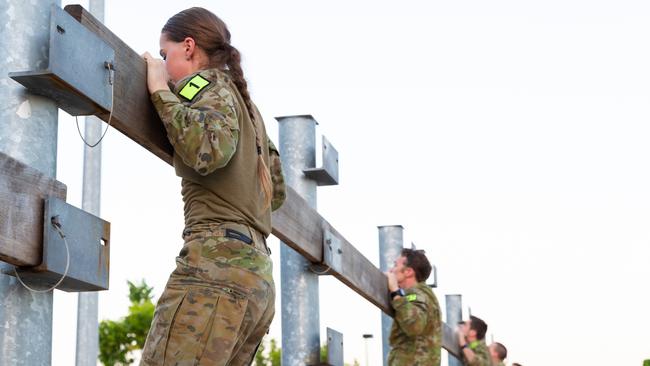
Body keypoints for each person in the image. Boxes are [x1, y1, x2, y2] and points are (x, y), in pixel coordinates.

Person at [139, 7, 286, 366]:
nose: (162, 62)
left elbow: (207, 150)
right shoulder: (250, 109)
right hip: (257, 280)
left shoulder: (207, 86)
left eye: (164, 54)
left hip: (216, 271)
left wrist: (159, 88)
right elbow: (277, 193)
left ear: (188, 47)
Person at [384, 248, 441, 366]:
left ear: (408, 272)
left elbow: (414, 325)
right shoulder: (426, 295)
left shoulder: (418, 294)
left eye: (395, 265)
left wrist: (395, 292)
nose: (391, 270)